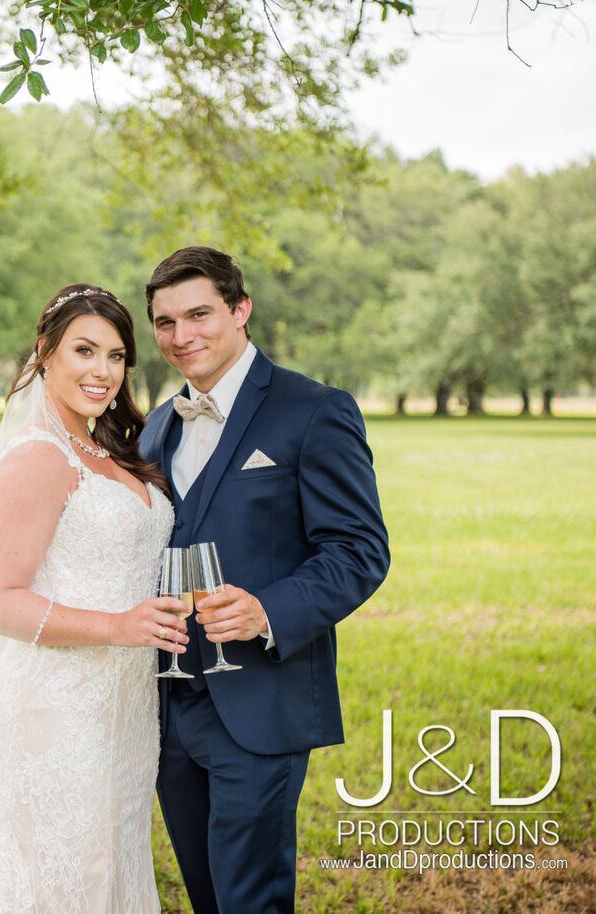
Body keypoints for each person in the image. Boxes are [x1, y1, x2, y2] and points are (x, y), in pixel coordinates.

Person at [0, 285, 189, 913]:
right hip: (55, 704)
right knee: (54, 873)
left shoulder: (111, 453)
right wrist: (118, 626)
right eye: (84, 350)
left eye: (116, 356)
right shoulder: (37, 456)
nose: (102, 371)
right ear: (45, 353)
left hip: (126, 705)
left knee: (106, 863)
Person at [139, 246, 390, 914]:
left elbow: (360, 550)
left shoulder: (314, 410)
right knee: (206, 895)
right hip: (165, 708)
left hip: (260, 699)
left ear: (241, 309)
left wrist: (266, 611)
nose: (181, 336)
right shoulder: (157, 427)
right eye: (165, 322)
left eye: (198, 314)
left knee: (252, 899)